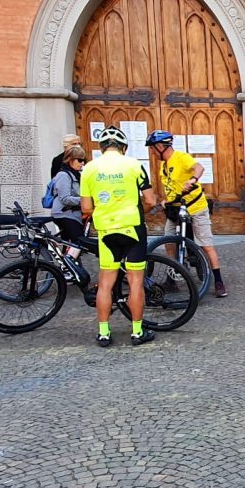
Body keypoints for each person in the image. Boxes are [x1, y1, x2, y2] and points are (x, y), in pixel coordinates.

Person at [80, 126, 157, 347]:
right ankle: (137, 331)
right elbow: (150, 200)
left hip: (106, 230)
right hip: (132, 227)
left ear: (101, 147)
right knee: (135, 281)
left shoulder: (89, 169)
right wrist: (140, 211)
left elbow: (86, 208)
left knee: (105, 282)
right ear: (123, 147)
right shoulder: (134, 165)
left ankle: (104, 333)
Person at [144, 130, 228, 298]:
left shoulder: (181, 157)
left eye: (153, 148)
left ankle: (218, 281)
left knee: (206, 245)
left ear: (161, 146)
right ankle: (171, 278)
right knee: (168, 241)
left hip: (195, 206)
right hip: (174, 208)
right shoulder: (163, 165)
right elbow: (171, 186)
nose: (152, 152)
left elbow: (199, 167)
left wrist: (193, 179)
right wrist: (166, 200)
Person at [49, 144, 87, 244]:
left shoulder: (76, 174)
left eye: (84, 161)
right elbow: (65, 199)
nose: (82, 163)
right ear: (70, 160)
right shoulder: (63, 175)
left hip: (73, 214)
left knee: (69, 244)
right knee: (79, 242)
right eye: (79, 160)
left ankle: (68, 259)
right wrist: (85, 200)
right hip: (64, 214)